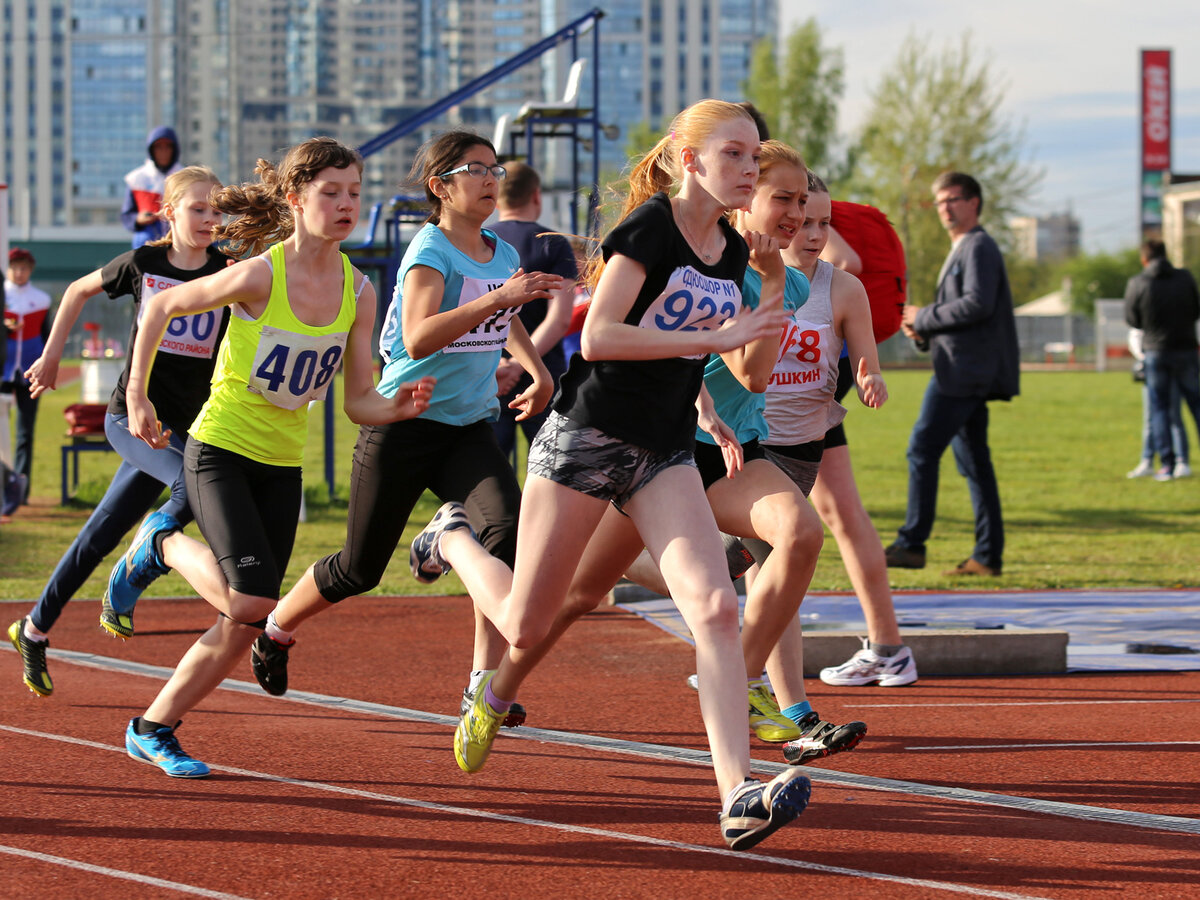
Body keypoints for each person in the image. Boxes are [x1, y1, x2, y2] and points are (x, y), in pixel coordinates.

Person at [418, 100, 811, 851]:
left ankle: (737, 794)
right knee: (528, 622)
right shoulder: (650, 228)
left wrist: (762, 286)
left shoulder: (731, 250)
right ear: (688, 160)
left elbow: (749, 371)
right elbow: (600, 336)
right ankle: (455, 537)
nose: (747, 171)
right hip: (587, 438)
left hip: (662, 453)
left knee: (718, 609)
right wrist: (717, 332)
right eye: (733, 155)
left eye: (753, 158)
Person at [112, 137, 435, 777]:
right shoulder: (263, 273)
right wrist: (136, 395)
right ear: (296, 199)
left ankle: (153, 726)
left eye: (355, 193)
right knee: (254, 604)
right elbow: (162, 305)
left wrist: (395, 407)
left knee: (242, 618)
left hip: (282, 466)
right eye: (331, 193)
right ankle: (164, 546)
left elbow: (357, 402)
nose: (347, 205)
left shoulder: (358, 292)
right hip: (221, 448)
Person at [248, 131, 558, 730]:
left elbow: (505, 314)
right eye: (476, 169)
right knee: (358, 570)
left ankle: (480, 683)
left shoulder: (501, 253)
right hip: (403, 423)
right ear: (440, 186)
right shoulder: (429, 250)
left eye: (495, 169)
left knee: (506, 536)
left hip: (467, 427)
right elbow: (418, 336)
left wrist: (536, 369)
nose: (491, 179)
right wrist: (504, 296)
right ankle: (277, 629)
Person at [624, 149, 874, 758]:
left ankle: (754, 687)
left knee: (790, 543)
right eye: (785, 203)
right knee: (562, 595)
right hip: (652, 444)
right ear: (744, 199)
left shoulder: (788, 280)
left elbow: (755, 375)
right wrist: (705, 405)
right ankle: (472, 550)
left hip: (743, 450)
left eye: (810, 210)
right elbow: (688, 351)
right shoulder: (700, 258)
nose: (800, 220)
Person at [7, 168, 232, 697]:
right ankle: (137, 568)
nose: (209, 219)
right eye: (198, 209)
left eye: (217, 210)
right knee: (192, 485)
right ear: (168, 212)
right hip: (129, 418)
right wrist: (51, 352)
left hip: (186, 425)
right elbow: (76, 292)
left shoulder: (227, 271)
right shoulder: (143, 264)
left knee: (100, 532)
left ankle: (33, 628)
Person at [886, 171, 1019, 578]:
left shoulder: (978, 246)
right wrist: (923, 331)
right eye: (940, 201)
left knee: (922, 449)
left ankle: (912, 544)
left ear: (974, 202)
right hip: (962, 368)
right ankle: (987, 556)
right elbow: (967, 313)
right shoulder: (964, 247)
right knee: (975, 464)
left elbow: (977, 304)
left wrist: (924, 316)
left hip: (963, 374)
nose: (945, 207)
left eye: (953, 199)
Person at [489, 161, 578, 463]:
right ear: (536, 196)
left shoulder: (481, 241)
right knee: (550, 467)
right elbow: (559, 318)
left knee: (486, 474)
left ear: (497, 197)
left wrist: (505, 364)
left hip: (487, 370)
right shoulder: (552, 243)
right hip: (543, 374)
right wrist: (520, 364)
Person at [1123, 239, 1200, 482]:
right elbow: (1197, 309)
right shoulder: (1185, 278)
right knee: (1196, 406)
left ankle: (1166, 465)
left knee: (1160, 410)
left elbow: (1132, 319)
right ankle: (1179, 462)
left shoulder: (1138, 283)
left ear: (1144, 258)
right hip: (1187, 350)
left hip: (1157, 352)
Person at [2, 247, 52, 509]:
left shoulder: (41, 299)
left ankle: (21, 488)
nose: (19, 273)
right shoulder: (3, 296)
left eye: (24, 268)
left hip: (29, 372)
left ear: (30, 270)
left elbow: (48, 337)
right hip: (3, 370)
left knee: (25, 433)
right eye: (14, 267)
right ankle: (3, 486)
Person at [1127, 327, 1189, 480]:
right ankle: (1147, 460)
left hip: (1169, 361)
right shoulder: (1146, 316)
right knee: (1150, 418)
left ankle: (1181, 461)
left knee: (1174, 416)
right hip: (1152, 363)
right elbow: (1135, 335)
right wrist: (1143, 355)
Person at [121, 127, 183, 248]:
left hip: (179, 241)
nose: (163, 151)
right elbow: (126, 215)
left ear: (174, 149)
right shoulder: (137, 179)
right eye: (158, 147)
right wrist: (138, 219)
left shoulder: (186, 176)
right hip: (146, 241)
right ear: (151, 150)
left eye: (167, 147)